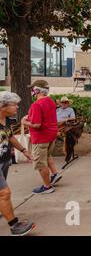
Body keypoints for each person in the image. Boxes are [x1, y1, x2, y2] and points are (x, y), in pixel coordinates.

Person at [0, 92, 36, 236]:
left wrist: (23, 149)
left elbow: (9, 136)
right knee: (4, 193)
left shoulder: (5, 120)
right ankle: (15, 226)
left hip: (4, 161)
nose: (17, 107)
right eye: (14, 104)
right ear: (3, 106)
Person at [21, 80, 62, 194]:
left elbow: (37, 125)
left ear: (37, 90)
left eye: (32, 89)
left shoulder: (36, 104)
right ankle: (54, 174)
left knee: (40, 162)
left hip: (40, 137)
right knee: (47, 156)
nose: (31, 91)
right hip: (51, 134)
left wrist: (24, 122)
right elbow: (45, 117)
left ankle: (47, 186)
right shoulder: (50, 101)